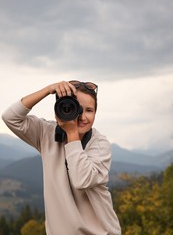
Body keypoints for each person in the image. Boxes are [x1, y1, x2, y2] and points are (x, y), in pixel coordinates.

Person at [2, 80, 121, 235]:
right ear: (60, 109)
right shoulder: (47, 133)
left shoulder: (99, 144)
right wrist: (48, 89)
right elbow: (10, 117)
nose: (83, 117)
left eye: (89, 110)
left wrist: (72, 134)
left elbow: (82, 179)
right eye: (76, 109)